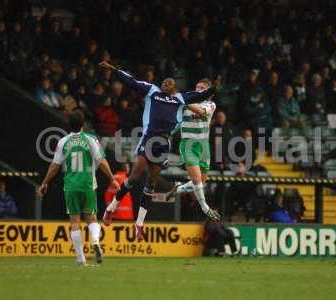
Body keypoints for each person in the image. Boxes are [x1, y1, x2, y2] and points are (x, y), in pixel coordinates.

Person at [100, 61, 215, 241]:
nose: (165, 83)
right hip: (149, 140)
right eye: (164, 82)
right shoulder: (152, 91)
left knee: (151, 184)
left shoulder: (180, 98)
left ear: (174, 87)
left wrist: (217, 85)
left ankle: (139, 224)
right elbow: (132, 81)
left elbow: (206, 94)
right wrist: (114, 70)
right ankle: (110, 208)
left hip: (163, 144)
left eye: (169, 83)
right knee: (134, 177)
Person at [38, 110, 120, 265]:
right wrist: (112, 179)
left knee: (75, 221)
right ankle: (95, 242)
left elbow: (55, 166)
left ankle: (80, 258)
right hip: (88, 184)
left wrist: (45, 183)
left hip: (70, 185)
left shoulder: (63, 142)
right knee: (91, 219)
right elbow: (102, 162)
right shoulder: (90, 139)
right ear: (83, 124)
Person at [165, 78, 220, 220]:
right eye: (197, 87)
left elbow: (201, 112)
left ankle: (178, 188)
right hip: (188, 143)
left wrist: (182, 99)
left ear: (209, 92)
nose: (198, 90)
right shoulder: (184, 103)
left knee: (201, 182)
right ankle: (205, 208)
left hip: (203, 145)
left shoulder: (210, 104)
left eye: (202, 88)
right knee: (196, 180)